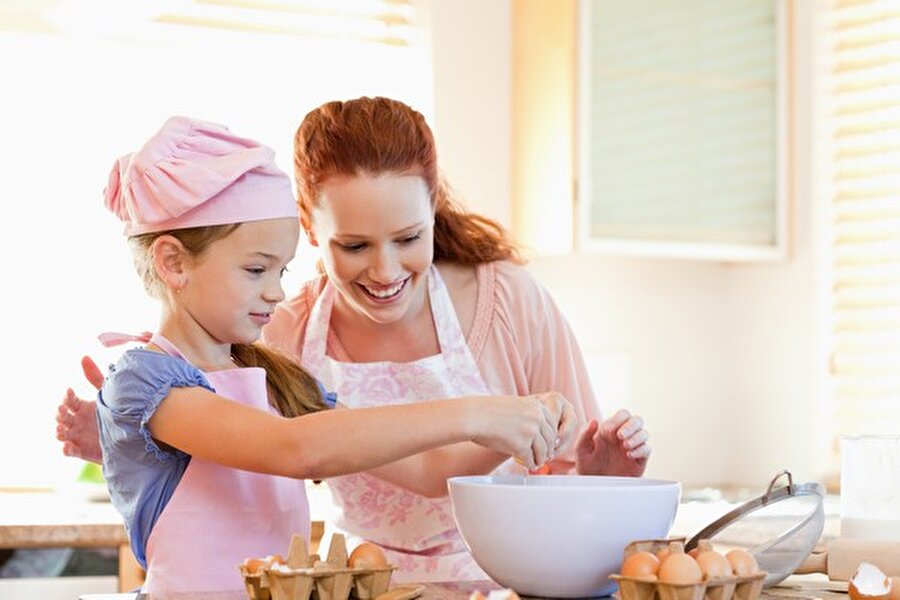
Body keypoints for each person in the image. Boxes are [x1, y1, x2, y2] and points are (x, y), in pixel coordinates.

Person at [57, 97, 651, 582]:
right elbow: (294, 447)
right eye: (355, 246)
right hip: (356, 583)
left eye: (408, 237)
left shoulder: (506, 300)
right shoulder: (243, 349)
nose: (386, 270)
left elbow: (416, 469)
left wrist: (547, 446)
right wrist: (484, 413)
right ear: (312, 227)